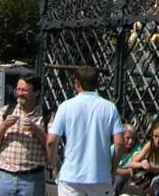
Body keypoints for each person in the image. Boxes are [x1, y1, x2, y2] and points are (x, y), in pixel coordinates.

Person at [46, 65, 124, 196]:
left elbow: (51, 141)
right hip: (100, 176)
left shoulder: (65, 107)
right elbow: (120, 143)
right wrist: (113, 168)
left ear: (77, 83)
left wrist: (54, 167)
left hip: (71, 176)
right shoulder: (109, 108)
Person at [0, 74, 50, 196]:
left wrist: (36, 130)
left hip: (32, 179)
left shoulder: (46, 116)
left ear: (36, 93)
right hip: (5, 177)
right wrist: (4, 125)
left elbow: (51, 145)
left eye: (24, 90)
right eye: (18, 89)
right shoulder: (5, 111)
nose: (19, 93)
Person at [127, 122, 159, 194]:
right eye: (155, 136)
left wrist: (156, 169)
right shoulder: (150, 145)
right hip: (147, 179)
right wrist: (142, 164)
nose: (157, 141)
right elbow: (131, 163)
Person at [113, 124, 142, 195]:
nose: (131, 141)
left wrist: (117, 170)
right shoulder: (113, 149)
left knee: (118, 180)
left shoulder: (136, 149)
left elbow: (132, 169)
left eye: (133, 139)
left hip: (129, 178)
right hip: (114, 175)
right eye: (128, 138)